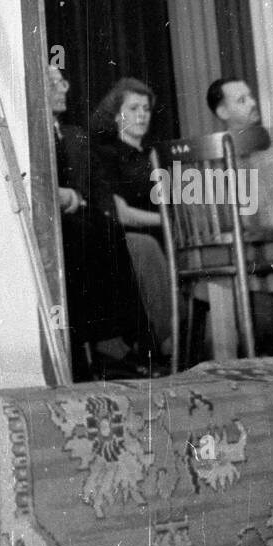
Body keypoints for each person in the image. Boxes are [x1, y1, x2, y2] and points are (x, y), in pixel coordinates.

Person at [49, 66, 160, 378]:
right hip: (63, 220)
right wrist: (71, 198)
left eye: (62, 80)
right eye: (53, 82)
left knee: (102, 230)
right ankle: (118, 342)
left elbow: (95, 192)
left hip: (88, 214)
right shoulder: (40, 136)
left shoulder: (74, 135)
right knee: (98, 234)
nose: (63, 88)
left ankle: (130, 341)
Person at [90, 77, 173, 363]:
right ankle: (165, 342)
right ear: (116, 115)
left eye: (146, 109)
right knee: (149, 246)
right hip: (127, 237)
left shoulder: (154, 154)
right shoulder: (105, 155)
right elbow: (121, 212)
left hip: (164, 231)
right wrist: (167, 223)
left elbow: (167, 202)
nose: (142, 115)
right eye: (134, 107)